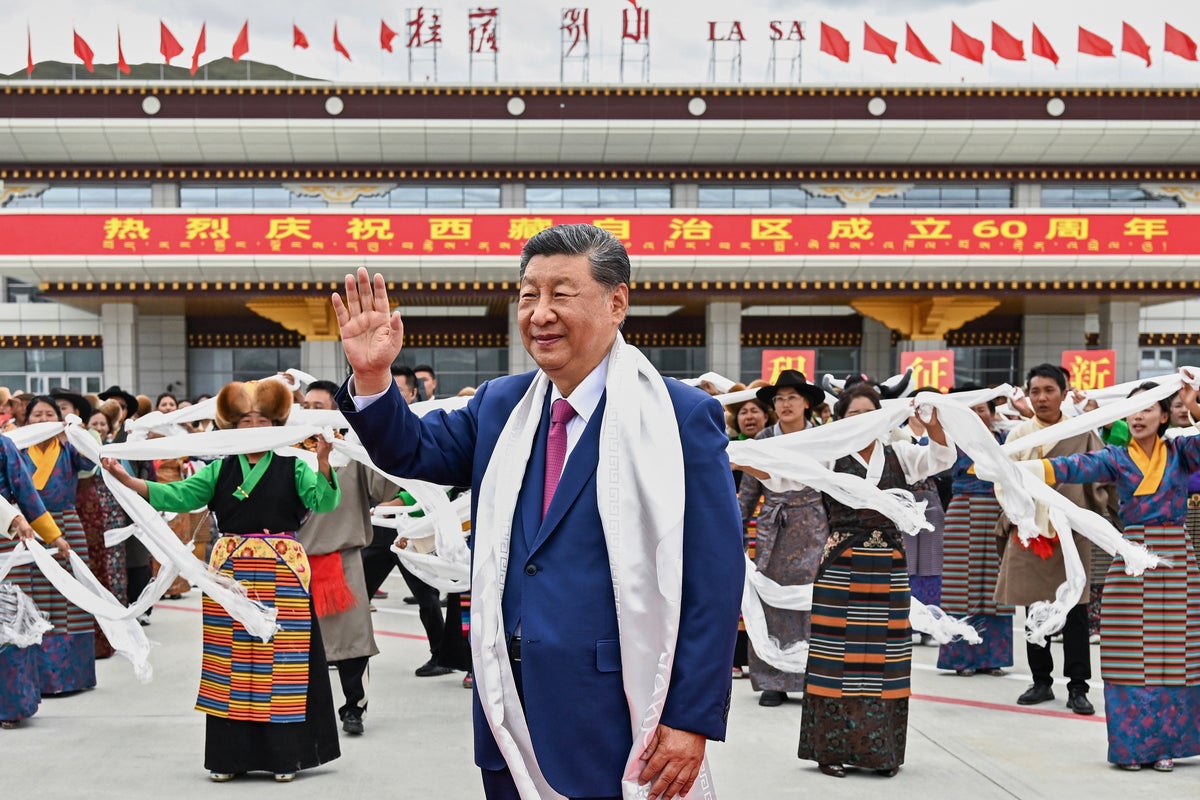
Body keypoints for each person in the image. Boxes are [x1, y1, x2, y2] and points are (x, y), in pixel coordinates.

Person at [332, 222, 743, 800]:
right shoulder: (502, 405)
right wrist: (374, 378)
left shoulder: (678, 417)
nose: (540, 313)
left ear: (617, 302)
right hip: (507, 701)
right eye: (529, 295)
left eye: (561, 294)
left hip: (617, 712)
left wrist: (690, 716)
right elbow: (413, 450)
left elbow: (713, 577)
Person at [103, 378, 342, 782]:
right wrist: (128, 481)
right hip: (229, 574)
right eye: (245, 421)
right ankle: (229, 756)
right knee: (228, 661)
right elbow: (179, 495)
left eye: (261, 421)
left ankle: (284, 756)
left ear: (276, 424)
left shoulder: (294, 465)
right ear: (232, 426)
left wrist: (323, 462)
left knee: (281, 661)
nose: (253, 428)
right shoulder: (219, 468)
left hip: (282, 571)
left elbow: (325, 501)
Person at [1030, 381, 1200, 772]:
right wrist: (1017, 468)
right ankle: (1131, 747)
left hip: (1176, 560)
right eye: (1132, 409)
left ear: (1164, 415)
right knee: (1128, 655)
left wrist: (1195, 401)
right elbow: (1074, 466)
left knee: (1173, 654)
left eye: (1147, 408)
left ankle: (1165, 745)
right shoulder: (1116, 457)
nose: (1138, 416)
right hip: (1131, 555)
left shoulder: (1182, 451)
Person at [793, 383, 955, 778]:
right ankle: (829, 751)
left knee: (887, 659)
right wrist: (742, 457)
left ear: (882, 418)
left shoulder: (899, 453)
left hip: (889, 565)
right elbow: (784, 475)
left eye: (869, 413)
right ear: (840, 419)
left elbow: (941, 457)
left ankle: (882, 753)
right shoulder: (828, 455)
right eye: (853, 414)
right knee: (834, 657)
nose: (862, 420)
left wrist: (933, 423)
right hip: (841, 564)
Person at [997, 364, 1112, 715]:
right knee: (1034, 609)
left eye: (1049, 390)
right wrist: (1021, 515)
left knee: (1076, 610)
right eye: (1035, 391)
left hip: (1071, 532)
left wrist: (1091, 511)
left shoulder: (1081, 431)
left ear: (1064, 393)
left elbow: (1102, 474)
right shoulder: (1019, 435)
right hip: (1030, 530)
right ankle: (1041, 681)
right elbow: (1003, 481)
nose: (1042, 397)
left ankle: (1078, 686)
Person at [296, 380, 397, 736]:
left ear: (336, 411)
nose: (310, 412)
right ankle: (299, 708)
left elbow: (383, 489)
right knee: (297, 642)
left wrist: (377, 444)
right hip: (294, 560)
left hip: (343, 557)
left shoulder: (351, 451)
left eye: (319, 406)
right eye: (306, 406)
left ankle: (354, 707)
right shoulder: (285, 451)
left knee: (353, 641)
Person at [737, 370, 829, 707]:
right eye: (779, 399)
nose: (785, 404)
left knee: (812, 602)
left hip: (814, 526)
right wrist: (734, 528)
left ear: (806, 403)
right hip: (773, 529)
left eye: (792, 397)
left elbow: (835, 489)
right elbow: (749, 493)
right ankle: (772, 680)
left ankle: (810, 678)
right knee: (771, 601)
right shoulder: (763, 440)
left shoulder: (824, 438)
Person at [19, 396, 98, 694]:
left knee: (71, 595)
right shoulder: (16, 449)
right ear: (27, 420)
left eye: (49, 414)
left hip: (67, 522)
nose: (42, 420)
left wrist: (78, 434)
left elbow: (91, 461)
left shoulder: (68, 448)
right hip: (27, 525)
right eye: (36, 415)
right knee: (33, 593)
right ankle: (35, 677)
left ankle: (71, 676)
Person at [936, 394, 1014, 677]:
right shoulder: (952, 439)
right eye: (970, 410)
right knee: (960, 586)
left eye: (981, 409)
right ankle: (962, 658)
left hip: (998, 510)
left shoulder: (1006, 439)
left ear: (992, 412)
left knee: (997, 585)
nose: (976, 415)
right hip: (963, 509)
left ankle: (994, 658)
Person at [0, 435, 68, 728]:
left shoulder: (3, 445)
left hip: (4, 539)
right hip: (10, 524)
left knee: (9, 623)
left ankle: (9, 706)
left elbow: (25, 490)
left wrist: (53, 535)